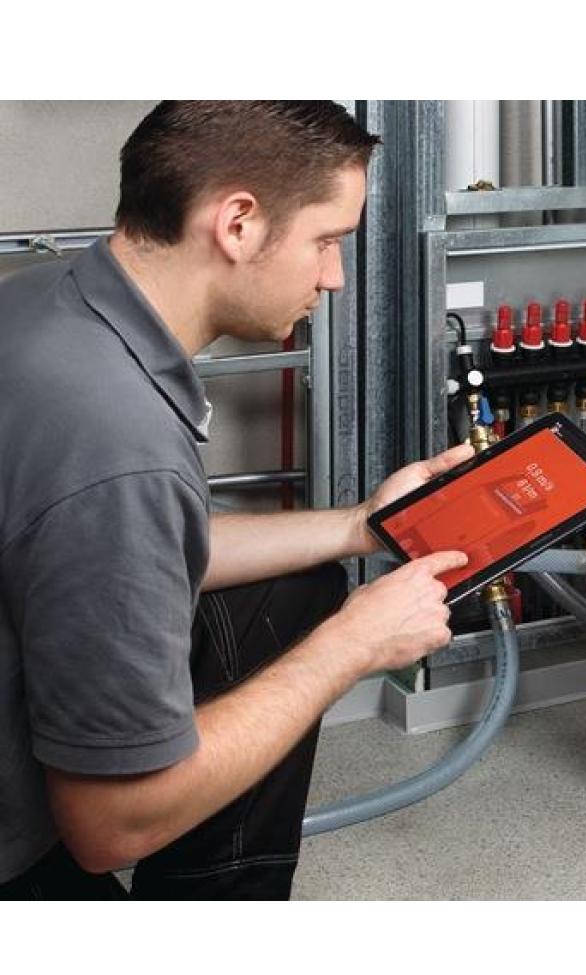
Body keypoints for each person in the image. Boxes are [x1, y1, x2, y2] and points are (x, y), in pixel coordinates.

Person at [0, 101, 473, 900]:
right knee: (317, 629)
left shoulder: (47, 302)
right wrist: (353, 644)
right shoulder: (118, 439)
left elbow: (137, 547)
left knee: (296, 589)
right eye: (327, 241)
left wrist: (361, 526)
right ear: (239, 224)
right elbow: (109, 827)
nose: (335, 276)